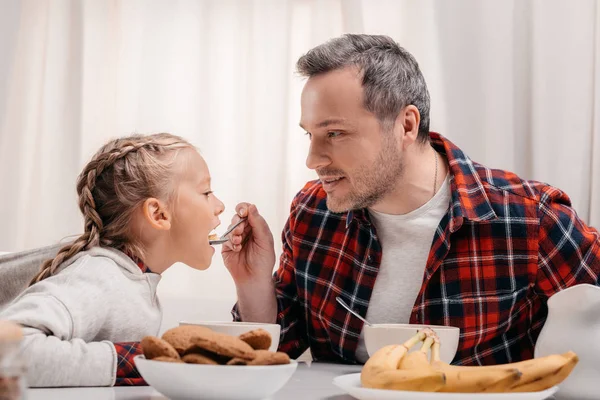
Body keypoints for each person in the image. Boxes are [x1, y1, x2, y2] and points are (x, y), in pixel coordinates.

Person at [222, 34, 600, 366]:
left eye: (334, 133)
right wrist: (253, 284)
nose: (313, 160)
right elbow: (280, 349)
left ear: (406, 125)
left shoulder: (530, 219)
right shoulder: (313, 211)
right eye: (310, 135)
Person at [0, 133, 225, 386]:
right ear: (159, 214)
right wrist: (137, 360)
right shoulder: (101, 277)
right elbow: (7, 351)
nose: (220, 206)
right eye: (206, 192)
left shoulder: (133, 281)